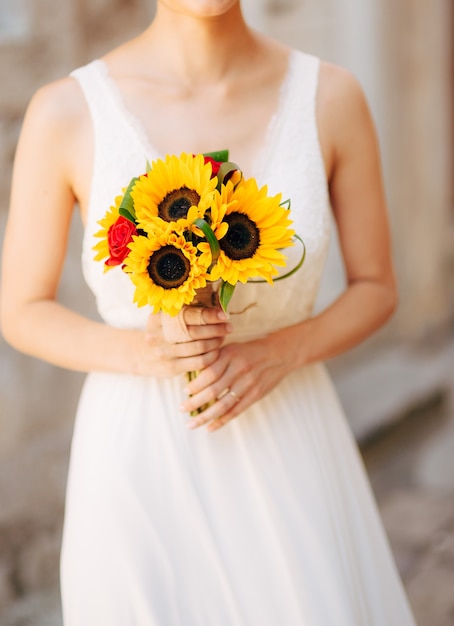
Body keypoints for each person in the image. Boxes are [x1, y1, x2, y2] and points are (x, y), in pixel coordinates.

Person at [1, 1, 417, 624]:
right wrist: (144, 351)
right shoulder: (65, 110)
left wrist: (281, 352)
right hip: (137, 458)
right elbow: (20, 309)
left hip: (288, 434)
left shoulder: (331, 97)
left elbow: (377, 287)